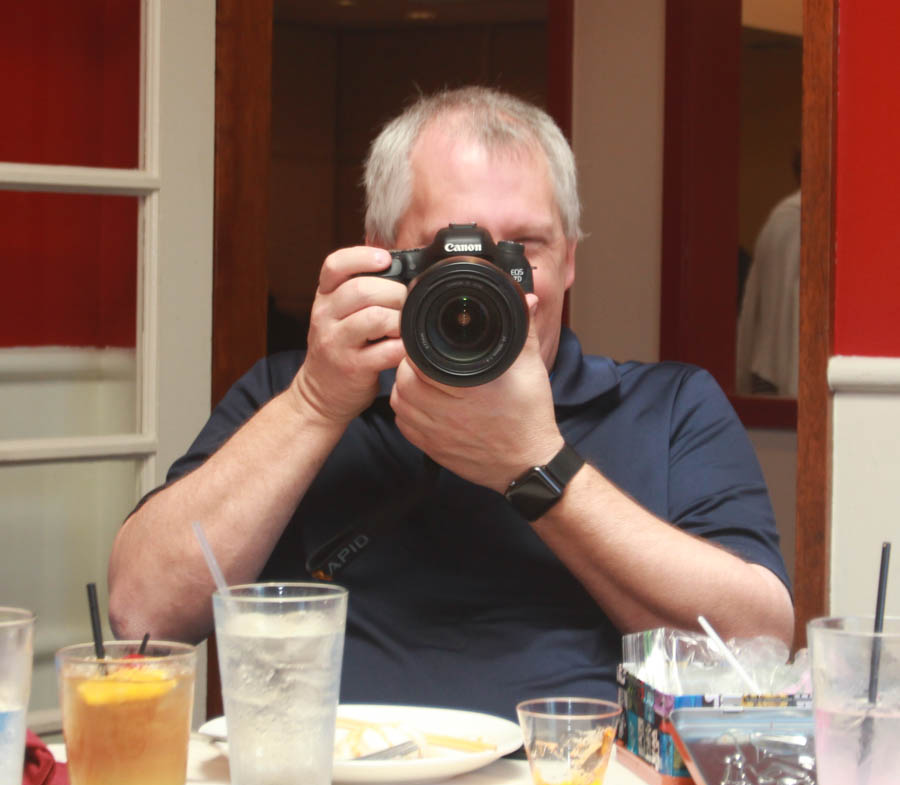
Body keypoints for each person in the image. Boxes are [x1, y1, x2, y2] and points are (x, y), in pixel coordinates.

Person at [108, 86, 793, 720]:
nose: (487, 280)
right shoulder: (295, 394)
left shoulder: (669, 406)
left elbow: (760, 642)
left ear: (570, 260)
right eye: (449, 249)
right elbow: (140, 613)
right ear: (380, 254)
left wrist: (539, 468)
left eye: (523, 246)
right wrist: (316, 406)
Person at [735, 151, 802, 396]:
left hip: (763, 366)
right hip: (789, 373)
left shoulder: (779, 220)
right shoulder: (804, 220)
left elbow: (752, 297)